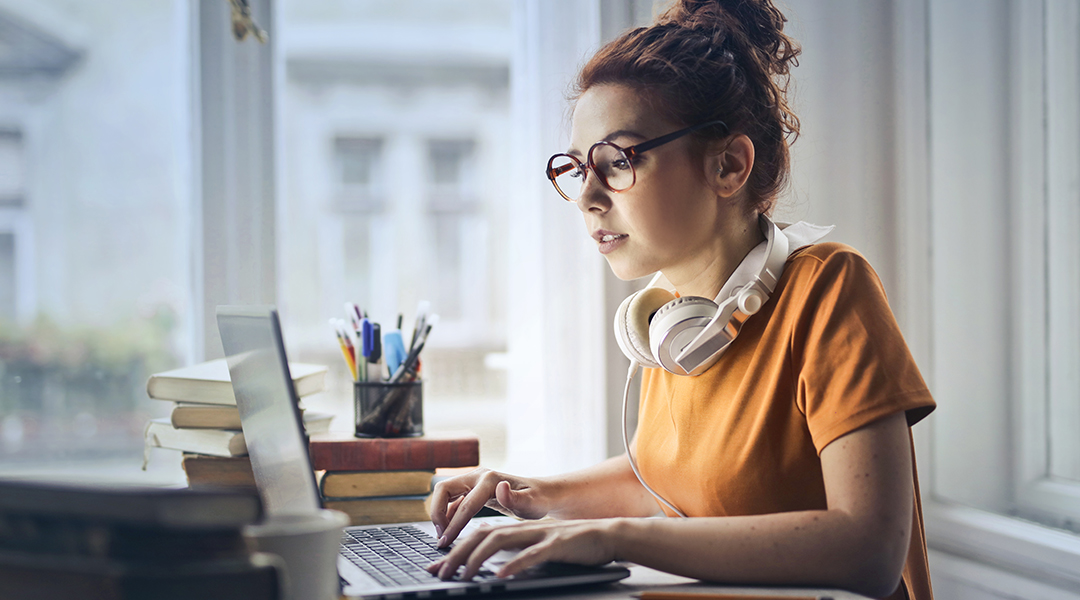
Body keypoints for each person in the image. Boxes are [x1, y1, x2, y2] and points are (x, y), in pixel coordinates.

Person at [425, 1, 936, 598]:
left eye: (617, 161)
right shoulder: (671, 320)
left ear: (728, 165)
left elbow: (868, 550)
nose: (587, 195)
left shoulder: (829, 288)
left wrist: (615, 537)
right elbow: (666, 481)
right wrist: (529, 493)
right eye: (576, 168)